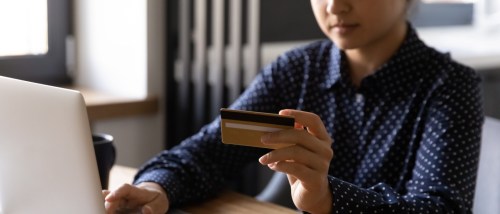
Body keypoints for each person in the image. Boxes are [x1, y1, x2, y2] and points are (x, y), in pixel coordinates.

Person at [103, 0, 484, 213]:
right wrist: (157, 187)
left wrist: (325, 197)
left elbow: (439, 210)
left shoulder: (450, 86)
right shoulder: (297, 70)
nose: (335, 5)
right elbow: (208, 152)